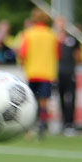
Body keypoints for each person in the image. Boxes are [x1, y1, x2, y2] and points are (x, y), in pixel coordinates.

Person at [19, 9, 59, 139]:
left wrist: (23, 64)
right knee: (44, 101)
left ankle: (29, 126)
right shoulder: (52, 35)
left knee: (31, 101)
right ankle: (42, 125)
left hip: (32, 71)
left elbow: (23, 53)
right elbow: (58, 54)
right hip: (47, 72)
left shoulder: (29, 34)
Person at [55, 17, 80, 136]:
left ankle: (70, 124)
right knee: (60, 98)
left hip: (70, 72)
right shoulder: (53, 39)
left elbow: (78, 56)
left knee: (70, 98)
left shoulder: (72, 39)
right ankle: (63, 122)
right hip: (57, 73)